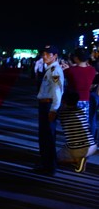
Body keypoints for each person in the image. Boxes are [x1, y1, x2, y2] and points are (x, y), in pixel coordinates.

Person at [34, 45, 64, 176]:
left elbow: (57, 92)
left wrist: (53, 110)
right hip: (44, 105)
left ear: (55, 56)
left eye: (48, 54)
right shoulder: (50, 69)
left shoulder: (55, 70)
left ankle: (50, 166)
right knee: (44, 136)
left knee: (48, 137)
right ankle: (45, 163)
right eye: (44, 53)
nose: (44, 56)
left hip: (48, 106)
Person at [57, 91, 96, 173]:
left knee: (55, 158)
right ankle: (80, 158)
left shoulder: (64, 113)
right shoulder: (80, 111)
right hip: (91, 145)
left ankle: (77, 160)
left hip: (78, 147)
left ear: (63, 101)